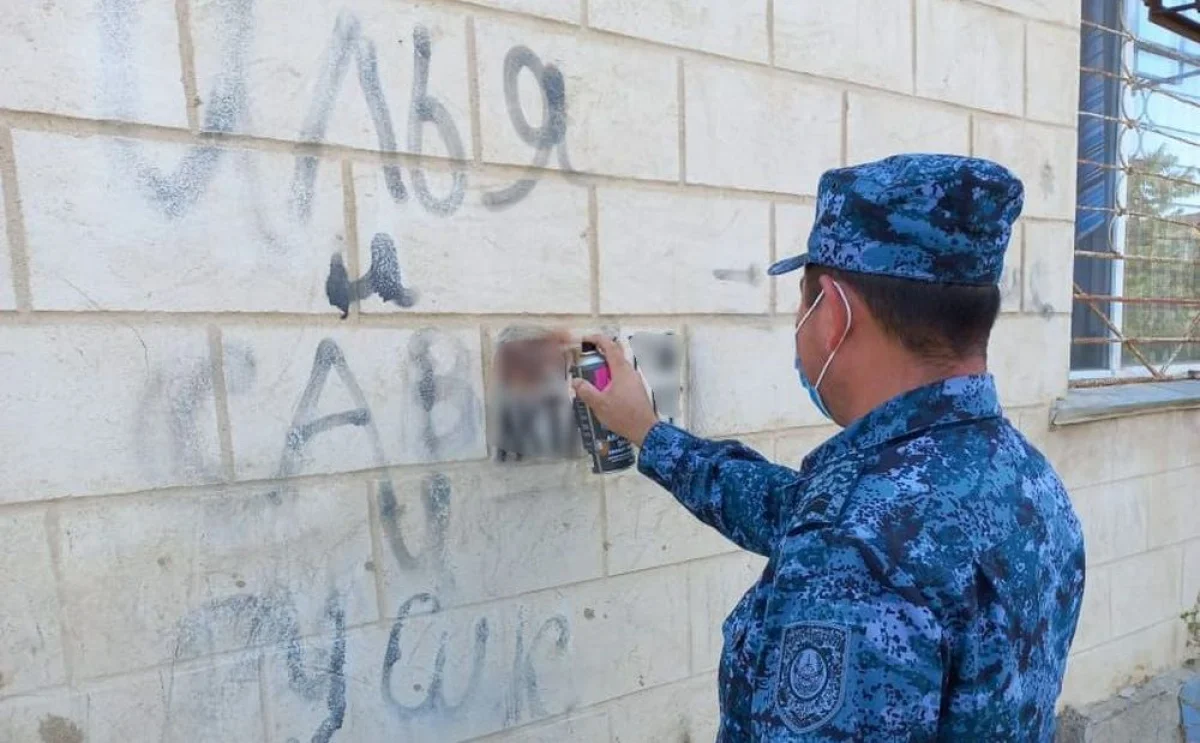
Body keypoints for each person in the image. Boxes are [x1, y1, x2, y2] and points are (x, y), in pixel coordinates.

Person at [570, 154, 1086, 741]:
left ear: (833, 314)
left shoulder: (855, 545)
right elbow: (790, 510)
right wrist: (650, 435)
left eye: (802, 300)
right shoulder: (1025, 480)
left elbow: (846, 536)